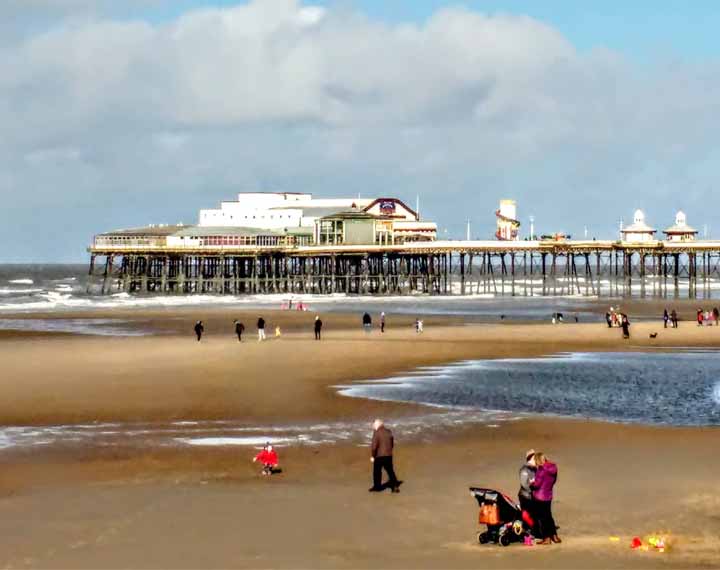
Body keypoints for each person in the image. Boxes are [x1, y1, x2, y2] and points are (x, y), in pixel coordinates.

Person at [531, 452, 560, 545]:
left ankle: (546, 538)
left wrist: (531, 484)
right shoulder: (553, 468)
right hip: (548, 495)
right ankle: (554, 536)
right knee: (549, 516)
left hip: (540, 496)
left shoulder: (541, 470)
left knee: (542, 518)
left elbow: (537, 484)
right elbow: (554, 481)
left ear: (538, 461)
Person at [369, 419, 400, 493]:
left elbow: (374, 446)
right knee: (390, 471)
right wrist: (389, 451)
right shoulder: (389, 431)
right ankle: (394, 486)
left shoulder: (377, 433)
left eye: (373, 425)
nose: (373, 427)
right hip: (389, 455)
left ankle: (377, 487)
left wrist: (373, 456)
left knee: (377, 472)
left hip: (379, 456)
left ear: (377, 425)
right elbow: (392, 443)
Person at [518, 449, 537, 532]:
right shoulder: (524, 470)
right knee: (526, 514)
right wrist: (533, 489)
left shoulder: (536, 469)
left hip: (534, 496)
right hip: (525, 496)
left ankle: (533, 529)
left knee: (534, 514)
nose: (536, 460)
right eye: (534, 458)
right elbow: (524, 484)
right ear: (530, 458)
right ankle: (530, 529)